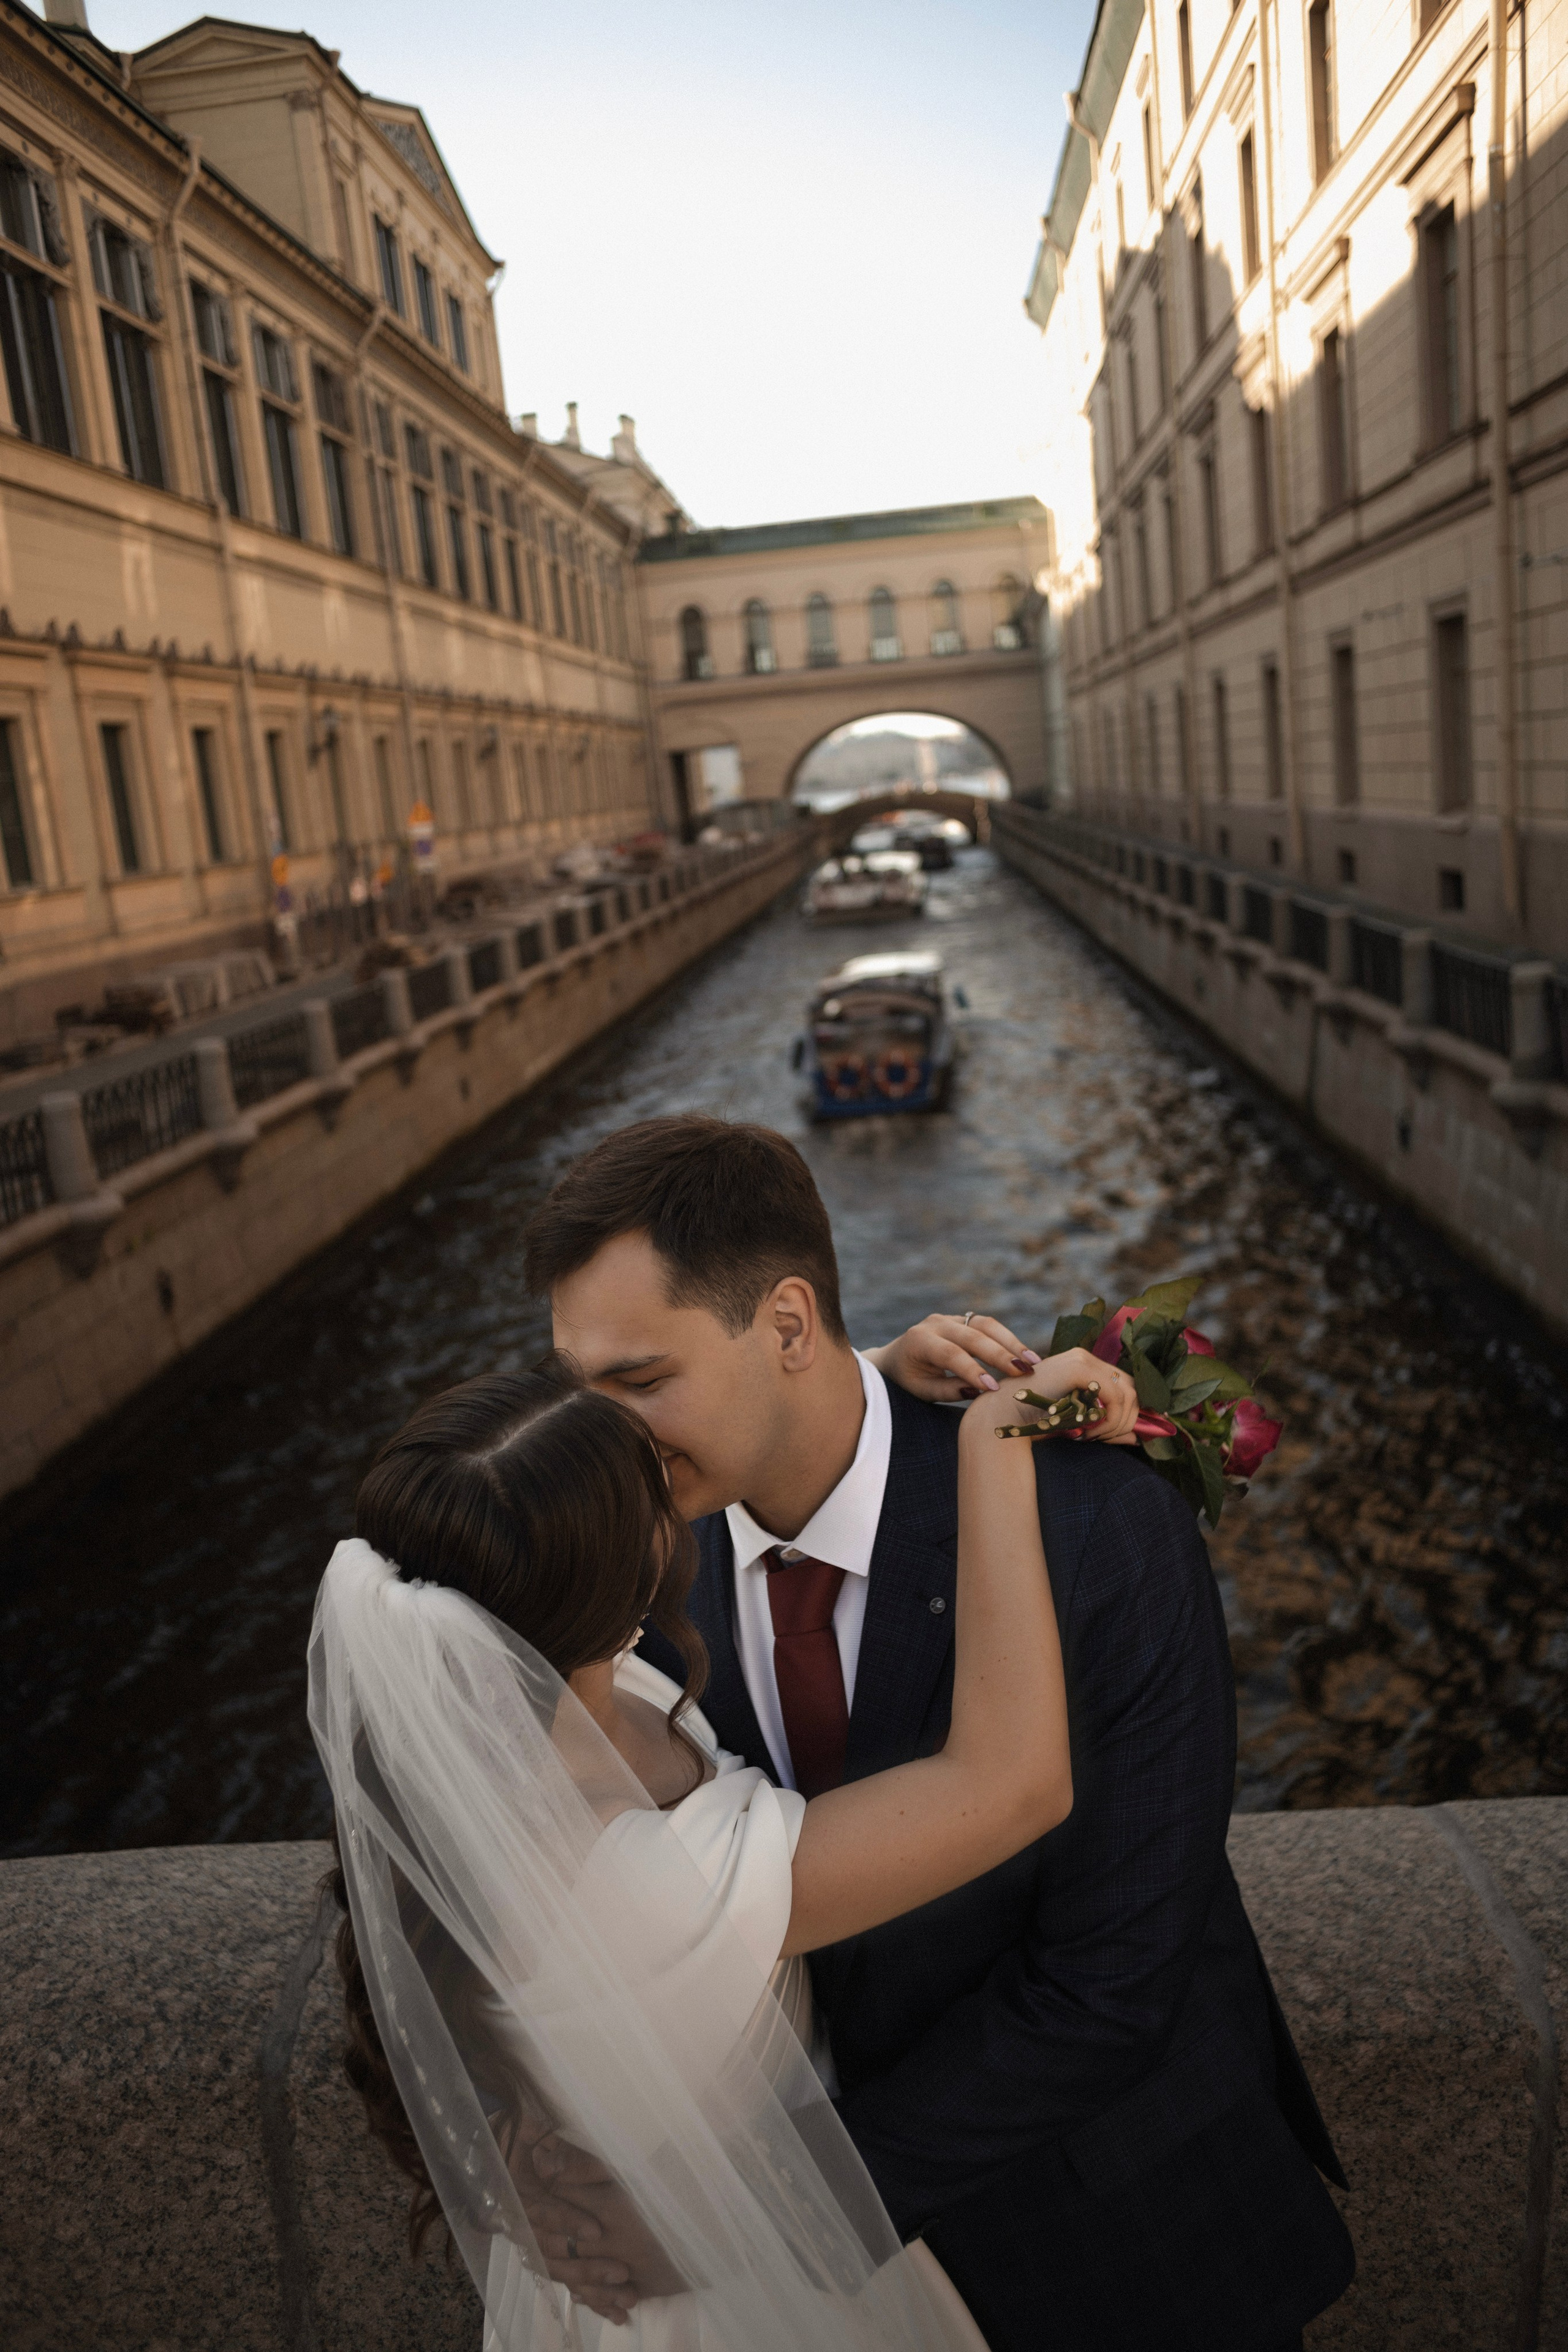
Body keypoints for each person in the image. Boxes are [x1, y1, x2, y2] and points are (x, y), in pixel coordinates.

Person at [524, 1114, 1356, 2352]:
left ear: (790, 1328)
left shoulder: (1093, 1524)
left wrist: (758, 2214)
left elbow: (1112, 1981)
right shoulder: (632, 1566)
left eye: (639, 1381)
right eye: (580, 1389)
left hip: (1130, 2258)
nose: (601, 1436)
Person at [312, 1330, 1097, 2350]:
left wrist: (853, 1376)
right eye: (650, 1489)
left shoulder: (516, 1717)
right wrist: (995, 1437)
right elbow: (1011, 1784)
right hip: (741, 2308)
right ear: (636, 1564)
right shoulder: (634, 1877)